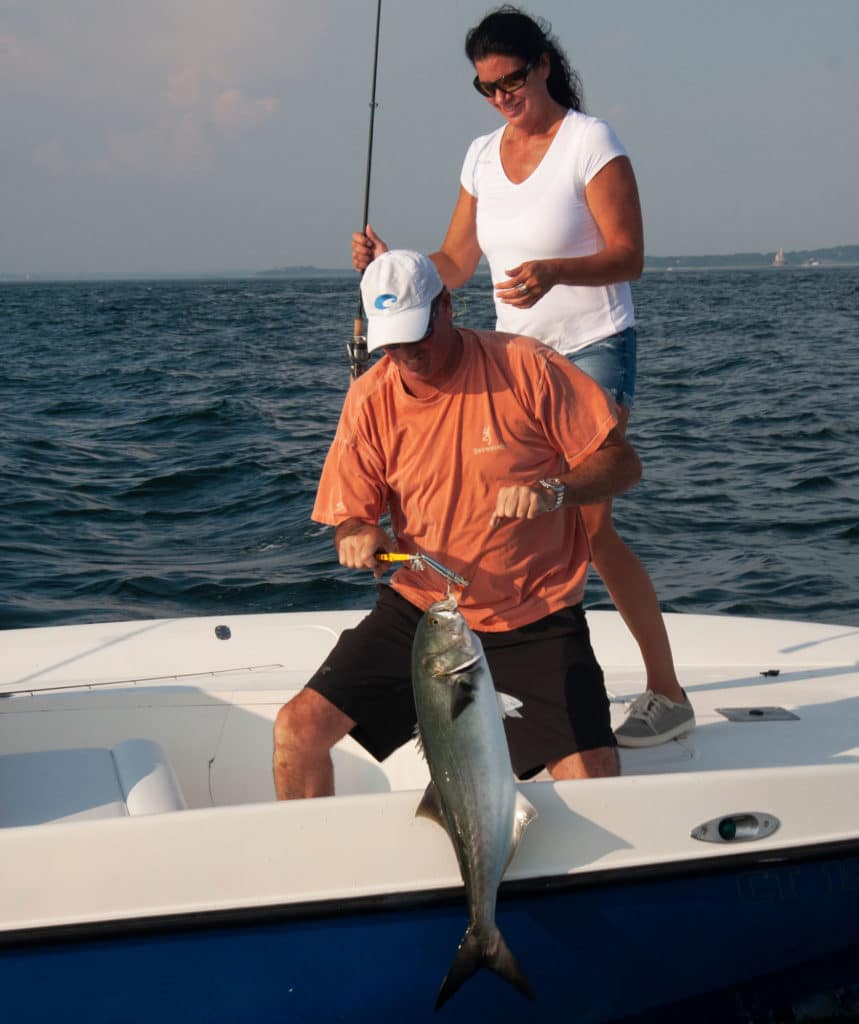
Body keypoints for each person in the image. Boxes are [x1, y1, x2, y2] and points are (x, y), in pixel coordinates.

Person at [351, 5, 694, 749]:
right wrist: (393, 269)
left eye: (511, 79)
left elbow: (629, 255)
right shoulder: (479, 156)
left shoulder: (588, 141)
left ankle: (664, 691)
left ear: (542, 64)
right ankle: (525, 680)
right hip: (511, 359)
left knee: (588, 522)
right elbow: (455, 263)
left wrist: (554, 273)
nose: (502, 96)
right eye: (486, 87)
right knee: (508, 519)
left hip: (591, 347)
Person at [273, 249, 642, 799]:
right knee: (296, 731)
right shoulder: (369, 398)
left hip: (533, 614)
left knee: (596, 783)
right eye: (391, 343)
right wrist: (358, 536)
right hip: (424, 613)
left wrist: (553, 490)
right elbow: (350, 520)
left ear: (447, 305)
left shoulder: (524, 365)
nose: (405, 354)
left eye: (416, 335)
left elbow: (622, 463)